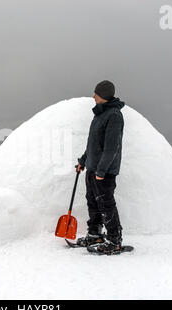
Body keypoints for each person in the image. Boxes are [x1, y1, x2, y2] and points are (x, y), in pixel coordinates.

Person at [76, 80, 125, 254]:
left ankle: (114, 240)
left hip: (104, 172)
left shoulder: (114, 116)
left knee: (106, 204)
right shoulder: (99, 115)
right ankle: (95, 234)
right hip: (92, 168)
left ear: (103, 95)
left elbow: (112, 148)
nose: (93, 96)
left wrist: (102, 170)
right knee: (92, 202)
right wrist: (83, 161)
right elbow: (93, 145)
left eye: (96, 93)